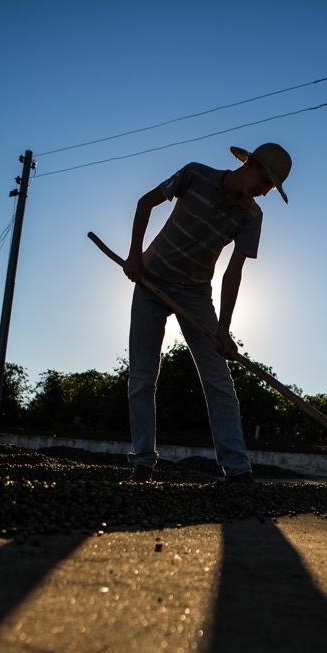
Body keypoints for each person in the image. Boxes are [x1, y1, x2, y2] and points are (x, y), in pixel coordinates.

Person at [122, 143, 292, 484]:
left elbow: (233, 273)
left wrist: (223, 330)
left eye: (272, 187)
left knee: (219, 380)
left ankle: (238, 470)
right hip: (152, 281)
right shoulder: (195, 175)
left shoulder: (252, 217)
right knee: (142, 376)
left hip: (196, 293)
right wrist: (134, 256)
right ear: (252, 163)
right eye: (265, 179)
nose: (265, 190)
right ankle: (143, 462)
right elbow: (145, 203)